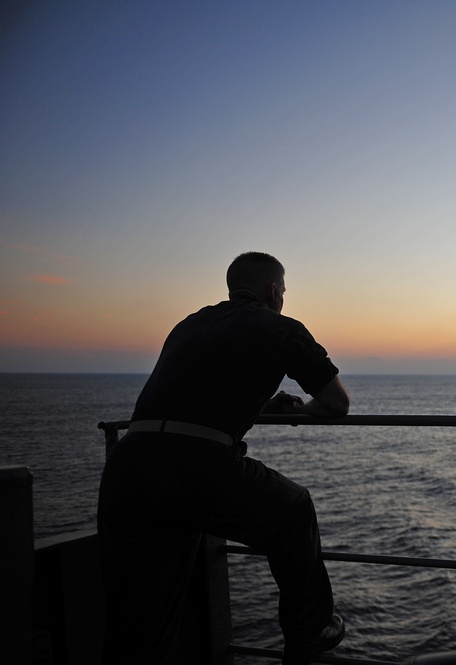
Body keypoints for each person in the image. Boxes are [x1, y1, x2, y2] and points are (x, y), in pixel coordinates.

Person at [98, 251, 350, 664]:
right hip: (196, 466)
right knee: (294, 509)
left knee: (137, 624)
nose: (283, 299)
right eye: (283, 292)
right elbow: (337, 402)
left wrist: (264, 405)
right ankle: (311, 631)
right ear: (273, 291)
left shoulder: (189, 325)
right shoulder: (282, 328)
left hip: (128, 465)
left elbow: (197, 398)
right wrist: (302, 409)